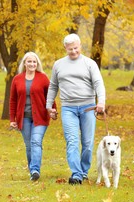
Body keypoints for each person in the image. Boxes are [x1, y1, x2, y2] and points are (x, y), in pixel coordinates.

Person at [46, 33, 106, 185]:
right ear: (65, 48)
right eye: (70, 49)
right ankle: (77, 174)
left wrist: (101, 102)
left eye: (75, 48)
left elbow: (98, 83)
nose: (73, 51)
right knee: (72, 141)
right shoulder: (58, 65)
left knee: (87, 143)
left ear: (80, 46)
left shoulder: (89, 63)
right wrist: (49, 105)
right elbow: (53, 86)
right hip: (68, 108)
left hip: (88, 107)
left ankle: (84, 171)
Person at [10, 52, 56, 181]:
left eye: (34, 62)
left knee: (36, 142)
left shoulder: (43, 78)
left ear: (37, 64)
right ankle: (33, 172)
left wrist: (53, 110)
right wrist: (12, 119)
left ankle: (35, 169)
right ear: (24, 63)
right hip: (23, 118)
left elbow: (50, 96)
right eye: (29, 61)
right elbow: (13, 100)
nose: (32, 64)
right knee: (29, 145)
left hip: (40, 117)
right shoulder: (17, 79)